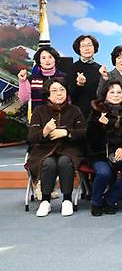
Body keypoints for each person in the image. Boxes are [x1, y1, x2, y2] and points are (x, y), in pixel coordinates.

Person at [27, 79, 86, 217]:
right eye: (54, 91)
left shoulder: (74, 110)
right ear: (48, 95)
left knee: (65, 161)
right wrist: (44, 132)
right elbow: (31, 136)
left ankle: (67, 200)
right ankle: (45, 201)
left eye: (62, 90)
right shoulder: (39, 111)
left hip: (69, 149)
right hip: (44, 150)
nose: (59, 93)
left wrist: (67, 132)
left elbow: (84, 132)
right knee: (48, 162)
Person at [86, 80, 122, 216]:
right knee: (104, 173)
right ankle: (96, 202)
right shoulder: (97, 110)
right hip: (100, 154)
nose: (116, 95)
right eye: (112, 92)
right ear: (105, 95)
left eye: (119, 92)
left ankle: (110, 199)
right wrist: (99, 126)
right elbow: (89, 137)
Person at [66, 34, 101, 118]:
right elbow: (69, 94)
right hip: (78, 112)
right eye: (83, 46)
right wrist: (79, 84)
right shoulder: (72, 68)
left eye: (89, 45)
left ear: (94, 48)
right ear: (78, 49)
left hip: (97, 113)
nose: (87, 48)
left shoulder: (100, 68)